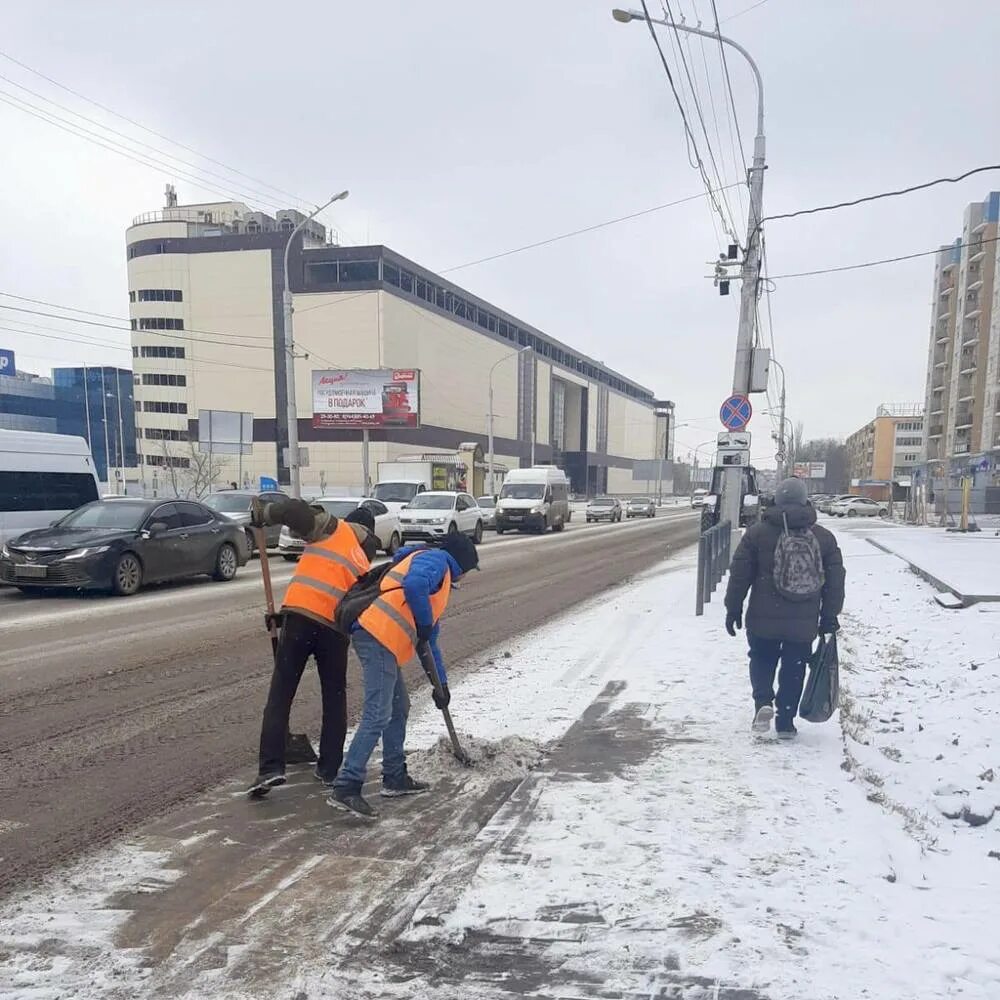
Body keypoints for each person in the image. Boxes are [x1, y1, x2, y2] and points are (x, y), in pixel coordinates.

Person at [329, 532, 480, 820]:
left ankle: (394, 776)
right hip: (376, 635)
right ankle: (347, 785)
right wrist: (423, 622)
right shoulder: (437, 561)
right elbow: (413, 586)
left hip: (382, 639)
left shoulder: (437, 581)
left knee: (399, 708)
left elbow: (429, 640)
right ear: (462, 565)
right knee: (378, 713)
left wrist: (441, 686)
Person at [247, 498, 380, 796]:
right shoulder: (364, 557)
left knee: (281, 693)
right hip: (335, 630)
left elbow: (294, 511)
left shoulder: (335, 528)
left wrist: (264, 514)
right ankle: (330, 768)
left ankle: (270, 768)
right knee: (335, 699)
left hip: (301, 618)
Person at [724, 477, 845, 739]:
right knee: (795, 666)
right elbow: (835, 581)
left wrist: (732, 607)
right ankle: (786, 721)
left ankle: (763, 704)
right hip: (803, 620)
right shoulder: (823, 538)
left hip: (762, 616)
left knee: (762, 659)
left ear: (776, 500)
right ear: (805, 501)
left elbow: (740, 574)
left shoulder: (757, 534)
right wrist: (829, 616)